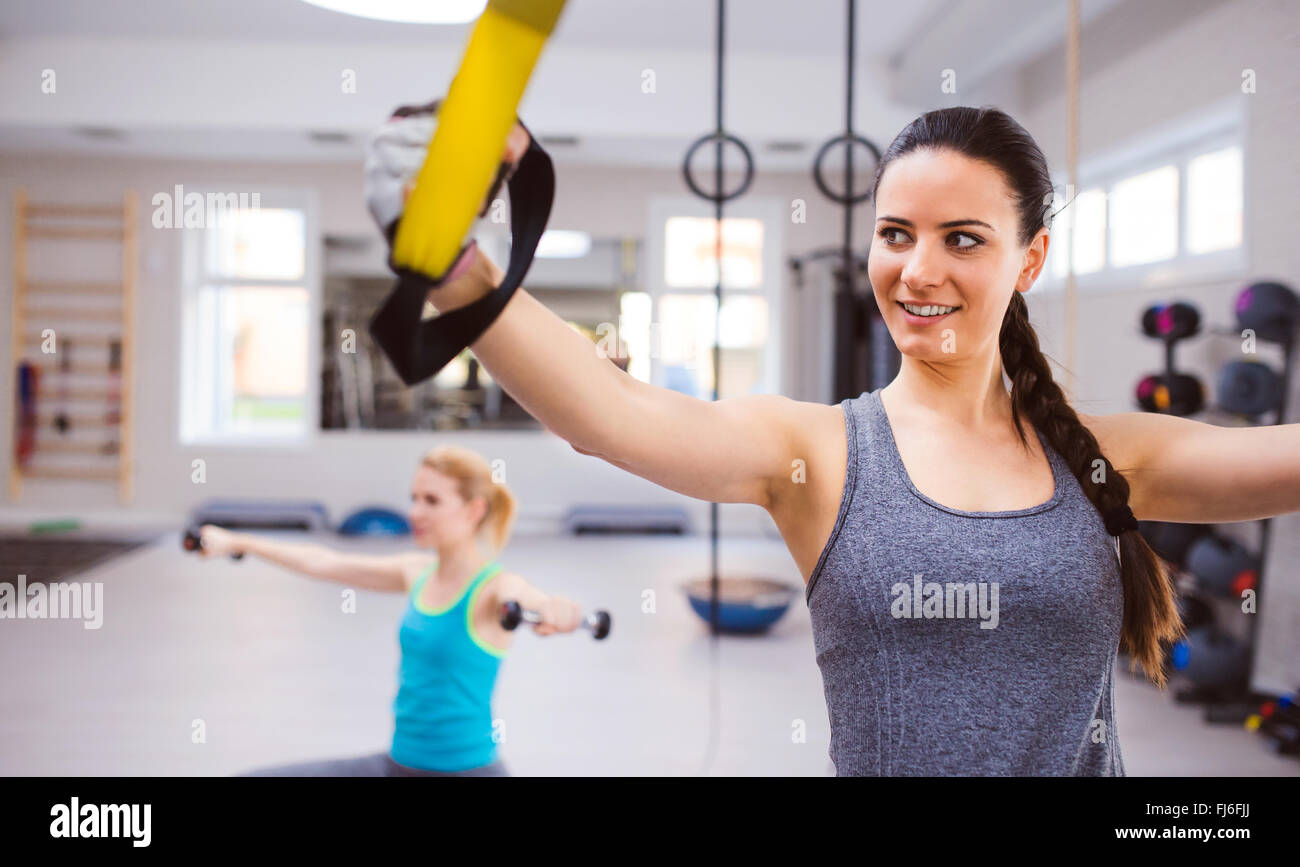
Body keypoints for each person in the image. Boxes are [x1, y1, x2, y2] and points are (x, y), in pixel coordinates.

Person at [402, 103, 1300, 776]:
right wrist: (453, 264)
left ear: (1030, 260)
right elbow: (605, 414)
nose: (919, 269)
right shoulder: (820, 453)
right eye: (896, 234)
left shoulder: (1107, 455)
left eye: (964, 239)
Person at [192, 444, 584, 776]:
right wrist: (238, 541)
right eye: (414, 498)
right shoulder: (416, 572)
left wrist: (552, 608)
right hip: (398, 767)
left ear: (473, 511)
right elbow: (323, 563)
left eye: (432, 501)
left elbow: (529, 598)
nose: (415, 512)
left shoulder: (494, 588)